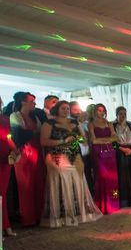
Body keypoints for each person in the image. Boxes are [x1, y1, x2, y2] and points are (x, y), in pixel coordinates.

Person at [40, 101, 102, 227]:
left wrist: (78, 138)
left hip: (75, 157)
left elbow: (83, 139)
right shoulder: (49, 123)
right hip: (57, 157)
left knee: (77, 183)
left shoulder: (74, 122)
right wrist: (63, 140)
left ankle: (78, 214)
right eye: (63, 108)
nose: (66, 111)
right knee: (61, 184)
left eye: (67, 108)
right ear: (56, 109)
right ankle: (62, 217)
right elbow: (43, 141)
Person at [10, 92, 46, 227]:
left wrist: (32, 133)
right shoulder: (15, 116)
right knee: (26, 186)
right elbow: (20, 135)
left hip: (37, 152)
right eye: (32, 101)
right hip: (24, 154)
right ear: (23, 102)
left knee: (39, 183)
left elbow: (40, 132)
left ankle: (39, 215)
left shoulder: (35, 116)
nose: (34, 104)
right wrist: (33, 133)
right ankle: (28, 218)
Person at [89, 104, 120, 215]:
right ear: (95, 112)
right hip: (98, 153)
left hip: (110, 153)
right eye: (99, 110)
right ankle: (102, 205)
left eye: (103, 110)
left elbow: (115, 138)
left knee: (113, 178)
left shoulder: (109, 123)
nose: (101, 112)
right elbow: (93, 140)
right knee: (102, 177)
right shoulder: (91, 124)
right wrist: (108, 140)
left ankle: (113, 204)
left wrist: (102, 140)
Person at [114, 106, 131, 208]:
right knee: (121, 178)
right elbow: (112, 142)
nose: (122, 116)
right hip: (119, 153)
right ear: (117, 115)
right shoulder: (112, 126)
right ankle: (121, 201)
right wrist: (122, 149)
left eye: (124, 114)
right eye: (120, 114)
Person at [0, 96, 18, 236]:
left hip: (4, 158)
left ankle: (5, 225)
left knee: (2, 194)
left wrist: (16, 150)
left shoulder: (5, 119)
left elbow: (8, 137)